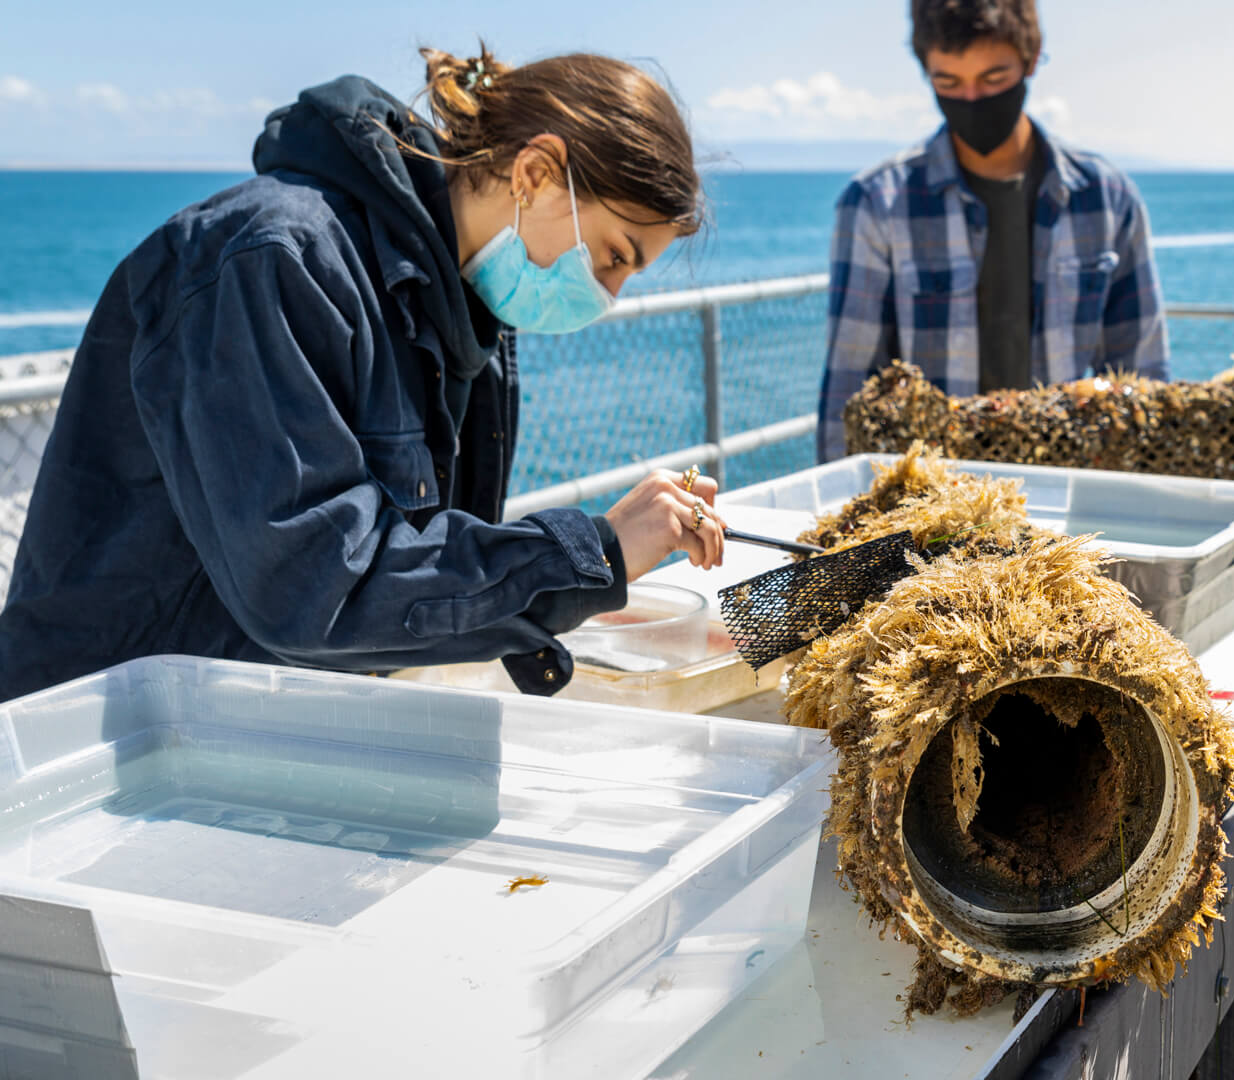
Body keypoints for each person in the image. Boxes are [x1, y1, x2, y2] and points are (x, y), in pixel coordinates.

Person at [0, 44, 730, 701]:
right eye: (614, 255)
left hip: (250, 726)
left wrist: (573, 582)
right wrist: (587, 555)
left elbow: (405, 583)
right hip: (105, 737)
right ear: (535, 173)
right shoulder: (271, 261)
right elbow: (310, 585)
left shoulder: (467, 320)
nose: (607, 296)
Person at [814, 0, 1168, 461]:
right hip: (931, 504)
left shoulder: (1107, 198)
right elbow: (849, 387)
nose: (973, 100)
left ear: (1032, 56)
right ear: (926, 73)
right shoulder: (876, 203)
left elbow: (1144, 380)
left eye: (993, 79)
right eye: (948, 83)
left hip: (1075, 489)